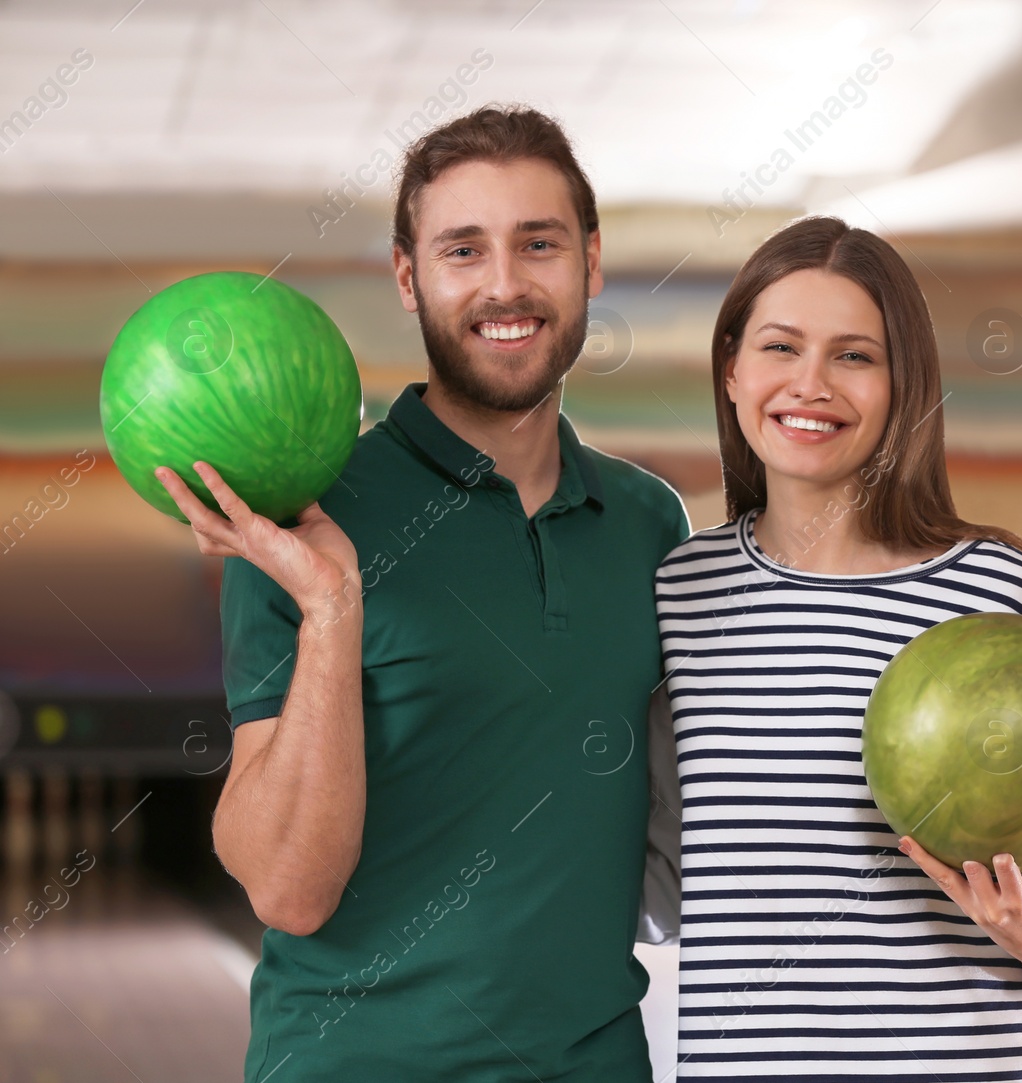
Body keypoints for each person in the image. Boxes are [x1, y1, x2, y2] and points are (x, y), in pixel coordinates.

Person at [154, 105, 688, 1082]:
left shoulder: (651, 524)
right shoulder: (303, 517)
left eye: (539, 244)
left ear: (591, 263)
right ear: (408, 276)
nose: (504, 284)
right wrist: (329, 607)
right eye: (462, 250)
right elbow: (288, 889)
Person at [650, 216, 1022, 1080]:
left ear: (902, 382)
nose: (810, 384)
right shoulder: (679, 594)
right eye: (780, 347)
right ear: (732, 369)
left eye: (854, 355)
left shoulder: (1000, 592)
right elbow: (656, 870)